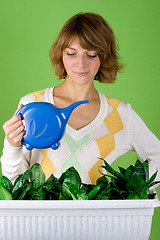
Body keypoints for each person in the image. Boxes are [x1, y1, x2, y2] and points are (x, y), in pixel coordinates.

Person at [1, 12, 160, 188]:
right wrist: (12, 146)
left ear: (103, 57)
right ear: (61, 54)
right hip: (41, 216)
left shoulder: (120, 114)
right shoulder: (33, 105)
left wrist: (130, 194)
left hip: (97, 217)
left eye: (91, 55)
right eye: (71, 53)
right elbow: (14, 183)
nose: (81, 63)